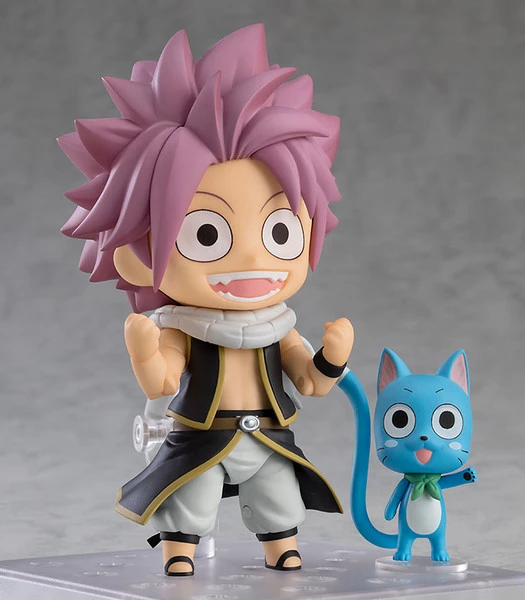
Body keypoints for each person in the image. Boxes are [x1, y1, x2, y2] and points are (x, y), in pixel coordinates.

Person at [59, 24, 354, 576]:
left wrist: (332, 356)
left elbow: (311, 383)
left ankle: (281, 546)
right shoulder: (181, 325)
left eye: (280, 232)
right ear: (137, 255)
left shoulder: (279, 324)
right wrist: (145, 351)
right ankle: (180, 551)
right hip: (201, 438)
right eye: (208, 234)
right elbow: (163, 383)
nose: (253, 257)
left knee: (279, 495)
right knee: (189, 500)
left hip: (268, 438)